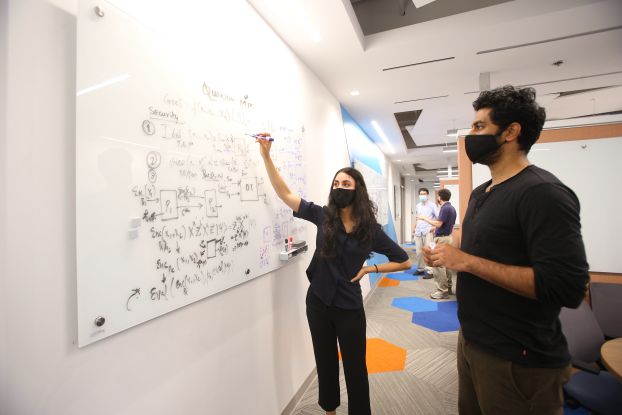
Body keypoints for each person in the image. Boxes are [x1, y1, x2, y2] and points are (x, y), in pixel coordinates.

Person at [423, 86, 589, 415]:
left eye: (479, 127)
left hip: (518, 360)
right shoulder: (483, 192)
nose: (471, 135)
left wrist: (467, 261)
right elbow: (481, 253)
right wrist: (447, 255)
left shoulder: (543, 193)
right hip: (472, 341)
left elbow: (567, 287)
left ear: (511, 131)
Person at [256, 133, 412, 415]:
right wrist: (266, 155)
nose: (340, 187)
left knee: (355, 368)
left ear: (357, 190)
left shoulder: (370, 230)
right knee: (325, 363)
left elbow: (403, 261)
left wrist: (369, 268)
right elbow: (284, 193)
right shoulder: (323, 215)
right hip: (317, 302)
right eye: (336, 183)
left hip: (349, 307)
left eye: (346, 184)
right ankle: (330, 411)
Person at [416, 187, 457, 299]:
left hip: (442, 240)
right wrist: (434, 229)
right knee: (446, 264)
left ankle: (442, 291)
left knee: (438, 265)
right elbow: (446, 225)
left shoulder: (444, 208)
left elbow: (439, 223)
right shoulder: (452, 208)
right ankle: (448, 288)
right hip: (447, 237)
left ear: (439, 197)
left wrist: (424, 218)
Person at [412, 187, 437, 278]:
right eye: (421, 194)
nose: (422, 195)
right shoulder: (418, 205)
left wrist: (433, 228)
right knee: (419, 252)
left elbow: (438, 218)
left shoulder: (432, 205)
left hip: (428, 231)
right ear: (419, 195)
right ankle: (420, 269)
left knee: (429, 251)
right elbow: (418, 217)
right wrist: (414, 227)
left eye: (424, 194)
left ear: (427, 195)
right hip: (418, 231)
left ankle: (430, 271)